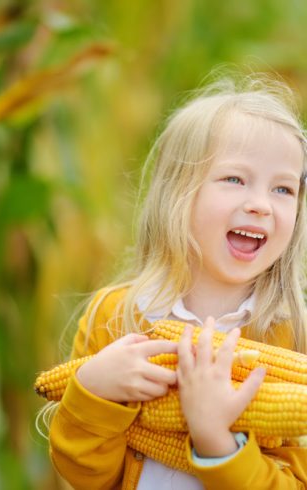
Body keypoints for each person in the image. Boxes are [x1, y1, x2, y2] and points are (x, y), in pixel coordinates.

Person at [47, 73, 307, 489]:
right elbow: (85, 475)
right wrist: (92, 392)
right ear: (177, 192)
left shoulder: (292, 335)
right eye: (235, 179)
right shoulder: (114, 317)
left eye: (283, 189)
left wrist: (216, 439)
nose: (260, 205)